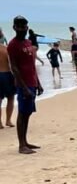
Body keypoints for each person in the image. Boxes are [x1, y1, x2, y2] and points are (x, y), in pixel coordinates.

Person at [7, 15, 43, 153]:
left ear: (27, 27)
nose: (22, 29)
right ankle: (21, 145)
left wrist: (38, 83)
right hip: (23, 85)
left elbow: (31, 65)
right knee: (22, 113)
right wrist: (24, 87)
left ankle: (25, 141)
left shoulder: (28, 43)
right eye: (20, 26)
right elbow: (14, 68)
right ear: (14, 27)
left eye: (24, 26)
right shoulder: (13, 45)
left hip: (32, 82)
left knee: (28, 113)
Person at [0, 40, 15, 128]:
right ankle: (8, 120)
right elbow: (10, 64)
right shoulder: (5, 49)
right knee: (11, 98)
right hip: (6, 74)